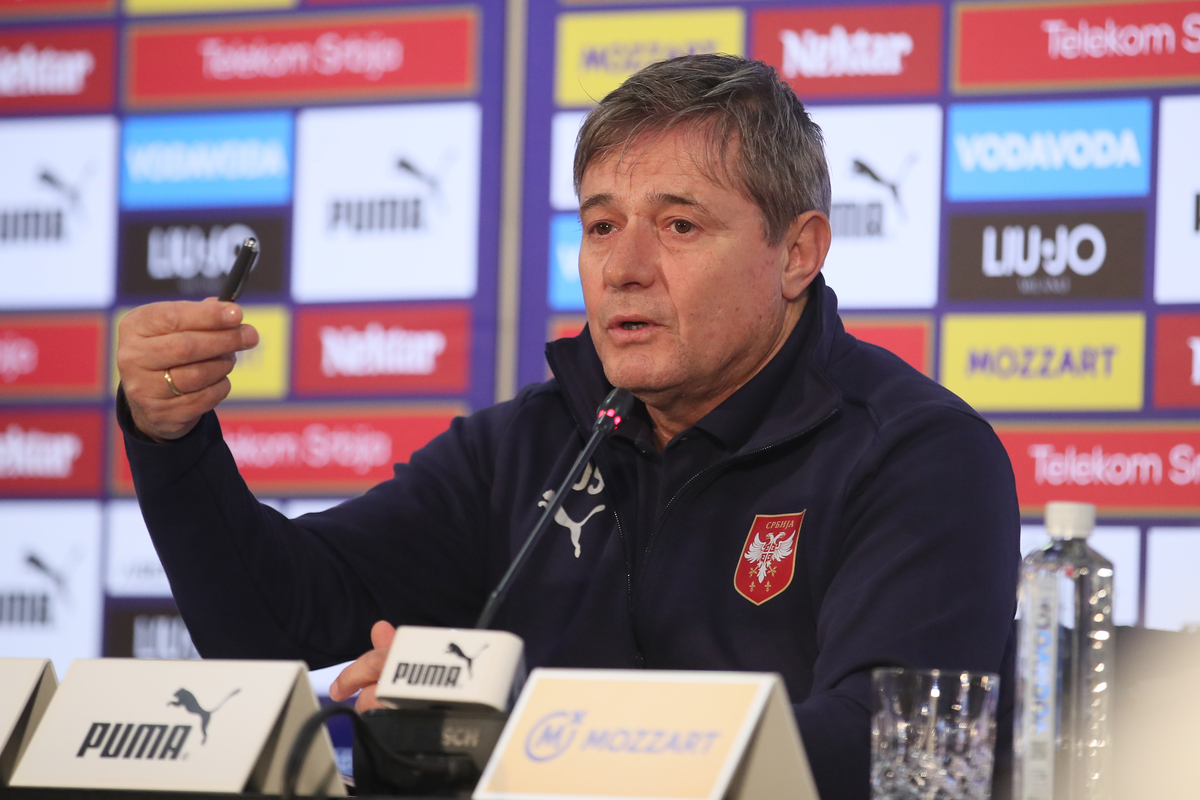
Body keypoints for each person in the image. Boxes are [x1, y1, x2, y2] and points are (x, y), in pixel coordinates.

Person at [116, 54, 1019, 799]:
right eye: (600, 225)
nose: (623, 268)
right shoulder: (537, 440)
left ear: (797, 252)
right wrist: (171, 441)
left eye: (678, 225)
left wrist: (515, 734)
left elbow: (886, 753)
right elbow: (275, 625)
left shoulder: (917, 455)